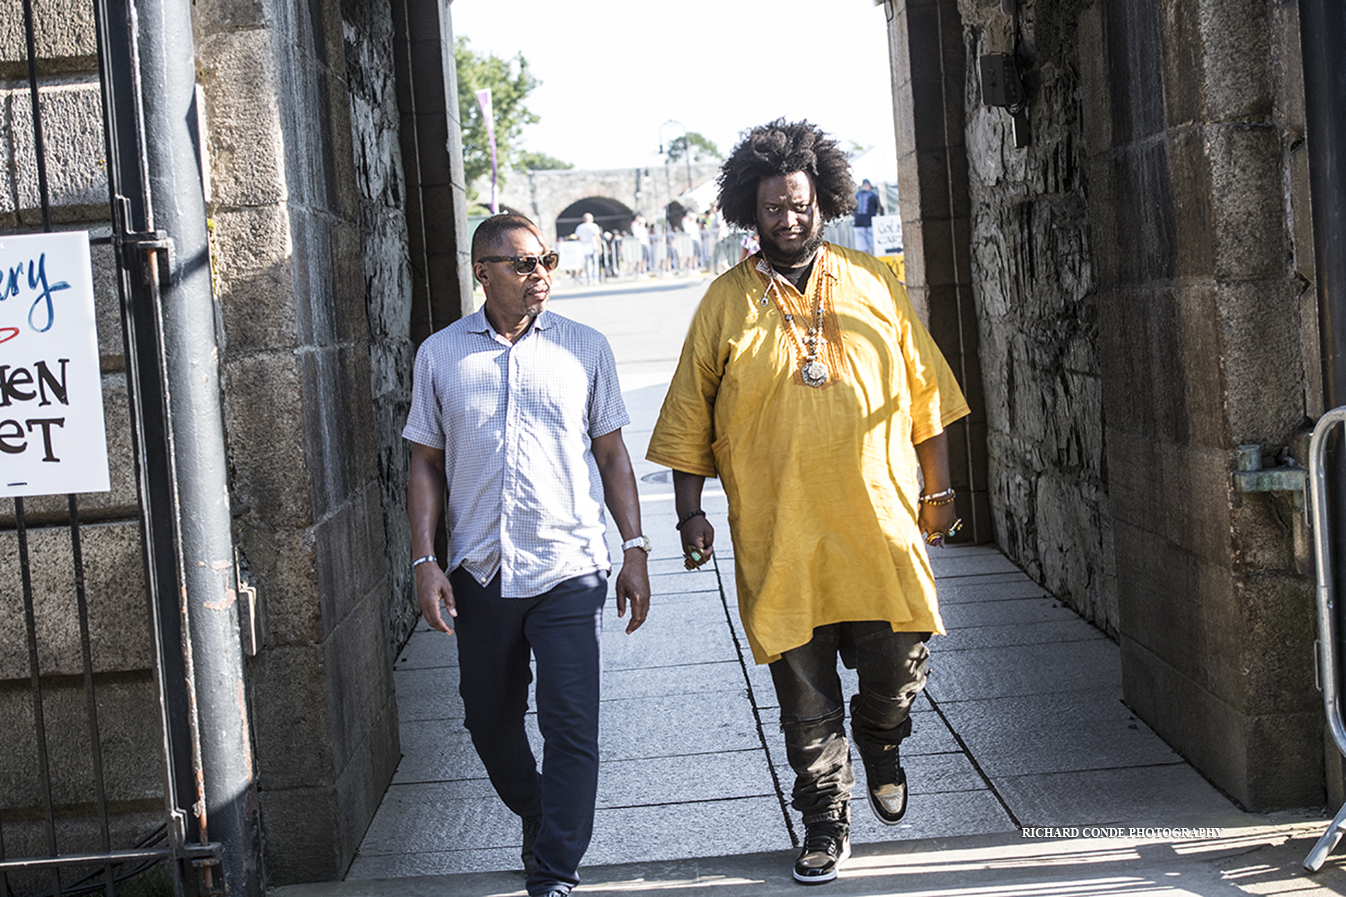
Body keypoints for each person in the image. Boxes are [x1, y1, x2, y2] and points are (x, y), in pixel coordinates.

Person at [647, 120, 968, 886]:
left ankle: (884, 735)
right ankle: (825, 817)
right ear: (748, 213)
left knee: (899, 660)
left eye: (800, 204)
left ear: (823, 198)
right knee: (803, 688)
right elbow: (689, 415)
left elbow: (929, 397)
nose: (788, 220)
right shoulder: (723, 304)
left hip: (879, 523)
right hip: (780, 531)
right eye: (771, 209)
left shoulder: (872, 282)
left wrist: (942, 488)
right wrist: (690, 514)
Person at [404, 213, 652, 897]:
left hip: (570, 567)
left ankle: (554, 869)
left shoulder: (585, 348)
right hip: (480, 571)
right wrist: (425, 560)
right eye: (521, 263)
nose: (539, 272)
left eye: (546, 259)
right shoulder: (441, 355)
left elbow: (612, 454)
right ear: (482, 271)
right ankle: (541, 812)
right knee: (488, 719)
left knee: (571, 722)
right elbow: (424, 462)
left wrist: (633, 547)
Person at [852, 178, 883, 254]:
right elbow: (879, 208)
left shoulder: (856, 195)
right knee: (875, 247)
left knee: (861, 249)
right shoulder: (873, 195)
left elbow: (852, 209)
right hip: (870, 224)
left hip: (858, 224)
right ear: (869, 186)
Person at [574, 212, 604, 284]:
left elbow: (577, 237)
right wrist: (600, 247)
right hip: (593, 245)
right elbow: (597, 237)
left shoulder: (580, 227)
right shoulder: (594, 226)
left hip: (584, 246)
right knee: (595, 262)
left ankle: (589, 279)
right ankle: (595, 278)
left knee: (588, 263)